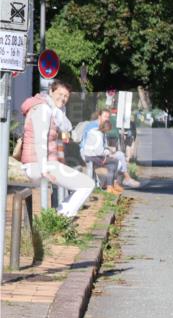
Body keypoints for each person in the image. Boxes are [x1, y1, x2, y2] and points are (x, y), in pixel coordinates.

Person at [19, 80, 96, 218]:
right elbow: (40, 141)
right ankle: (60, 217)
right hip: (38, 165)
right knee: (87, 185)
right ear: (51, 92)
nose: (63, 98)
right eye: (60, 94)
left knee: (83, 184)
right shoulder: (44, 109)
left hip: (43, 163)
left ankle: (59, 217)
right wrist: (43, 169)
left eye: (66, 96)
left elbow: (59, 133)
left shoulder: (53, 112)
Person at [79, 109, 141, 188]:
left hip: (97, 153)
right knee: (116, 162)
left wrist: (109, 150)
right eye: (105, 116)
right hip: (91, 154)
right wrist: (108, 153)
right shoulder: (94, 128)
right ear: (99, 116)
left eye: (108, 117)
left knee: (120, 155)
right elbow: (96, 148)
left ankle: (120, 181)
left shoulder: (102, 126)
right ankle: (115, 183)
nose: (107, 119)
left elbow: (102, 145)